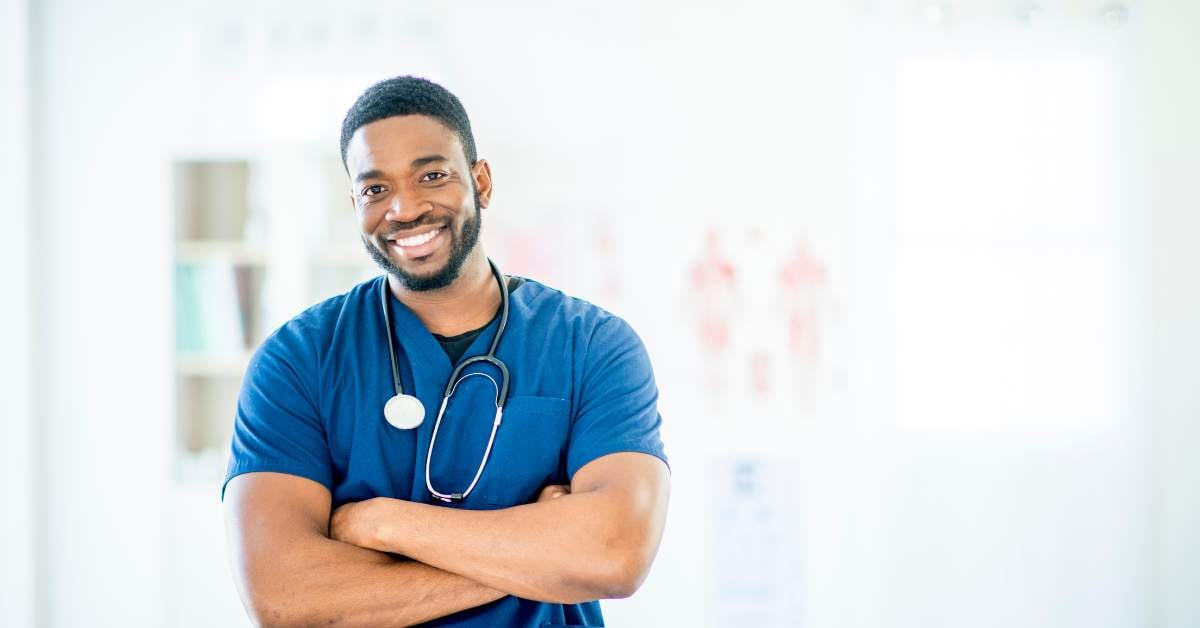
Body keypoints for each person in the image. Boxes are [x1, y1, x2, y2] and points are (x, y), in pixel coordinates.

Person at [221, 75, 671, 627]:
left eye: (432, 175)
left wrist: (383, 523)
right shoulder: (297, 361)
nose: (404, 209)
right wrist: (539, 547)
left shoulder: (592, 345)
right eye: (375, 189)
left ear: (481, 182)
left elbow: (614, 554)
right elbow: (284, 600)